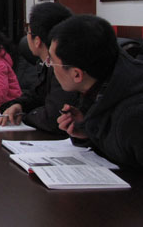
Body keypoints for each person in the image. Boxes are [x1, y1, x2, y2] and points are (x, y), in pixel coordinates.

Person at [51, 15, 143, 168]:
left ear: (77, 74)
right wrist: (87, 132)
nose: (50, 67)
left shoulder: (134, 115)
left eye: (52, 62)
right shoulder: (104, 85)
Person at [0, 3, 78, 130]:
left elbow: (54, 116)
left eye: (28, 32)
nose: (26, 36)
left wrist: (24, 116)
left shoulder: (64, 67)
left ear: (37, 41)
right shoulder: (46, 63)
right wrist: (19, 105)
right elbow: (37, 95)